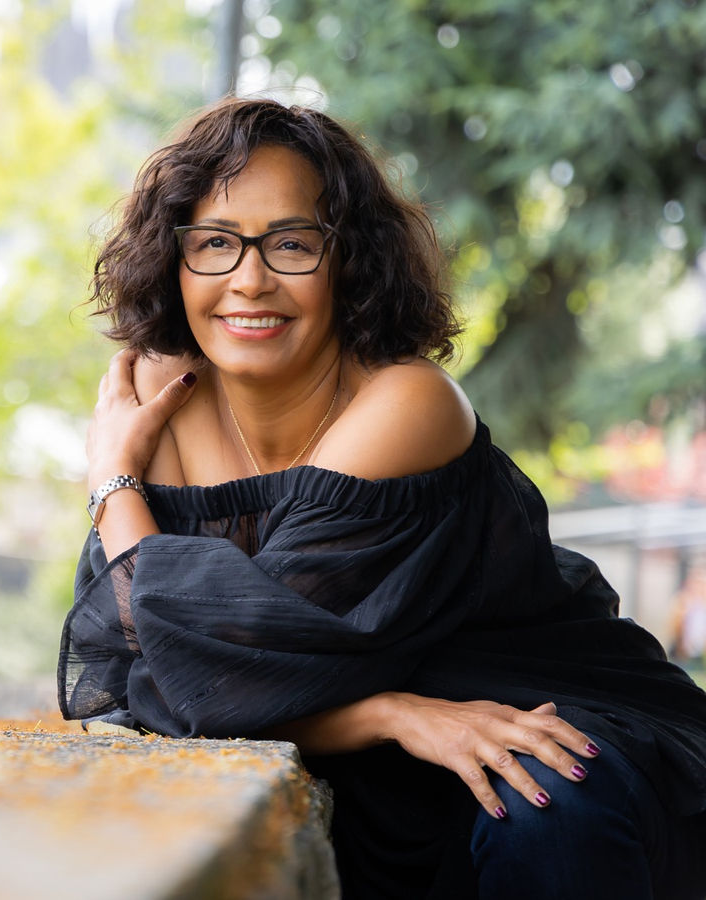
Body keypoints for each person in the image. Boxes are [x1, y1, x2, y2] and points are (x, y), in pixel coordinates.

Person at [57, 97, 706, 899]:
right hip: (391, 756)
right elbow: (156, 679)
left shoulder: (410, 403)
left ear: (348, 260)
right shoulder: (158, 394)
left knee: (543, 805)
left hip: (534, 724)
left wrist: (112, 485)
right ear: (176, 258)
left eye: (292, 244)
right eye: (216, 243)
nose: (249, 280)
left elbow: (212, 666)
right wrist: (393, 714)